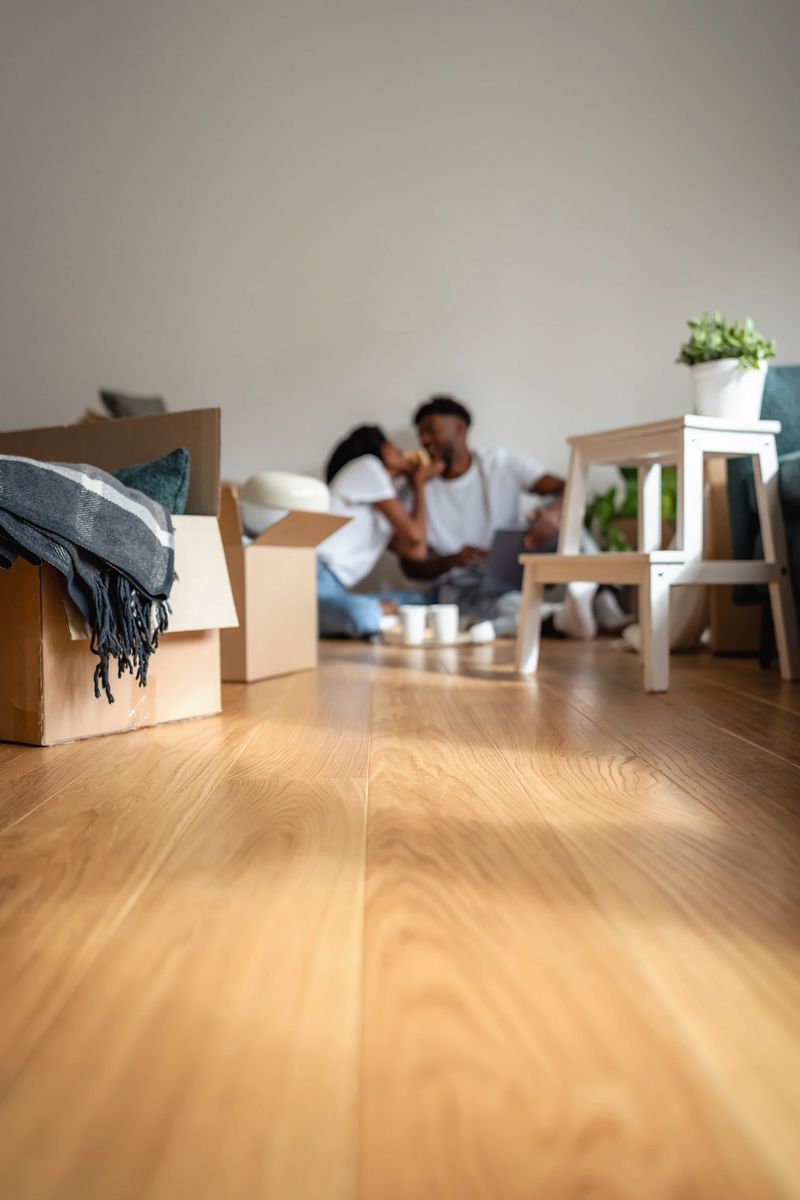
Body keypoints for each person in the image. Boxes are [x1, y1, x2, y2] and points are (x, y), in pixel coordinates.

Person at [402, 395, 631, 637]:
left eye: (431, 430)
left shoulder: (501, 465)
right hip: (463, 583)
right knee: (502, 606)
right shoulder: (415, 490)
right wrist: (453, 560)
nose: (424, 440)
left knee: (567, 521)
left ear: (460, 427)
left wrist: (553, 514)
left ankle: (604, 601)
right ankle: (557, 619)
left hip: (513, 564)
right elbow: (410, 566)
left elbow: (570, 488)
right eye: (420, 434)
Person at [317, 424, 441, 640]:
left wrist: (416, 485)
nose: (401, 451)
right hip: (314, 575)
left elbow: (417, 551)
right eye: (391, 445)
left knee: (423, 601)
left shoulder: (383, 513)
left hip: (336, 589)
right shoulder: (368, 466)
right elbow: (415, 535)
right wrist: (419, 484)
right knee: (361, 614)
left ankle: (373, 613)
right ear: (379, 449)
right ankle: (373, 612)